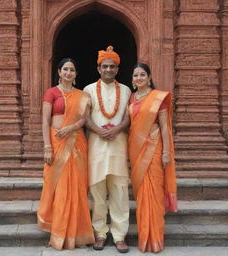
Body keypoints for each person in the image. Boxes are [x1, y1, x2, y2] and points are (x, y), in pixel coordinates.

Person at [37, 58, 95, 250]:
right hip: (56, 142)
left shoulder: (83, 95)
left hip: (77, 143)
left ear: (76, 74)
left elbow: (85, 119)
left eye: (72, 70)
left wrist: (71, 127)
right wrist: (47, 146)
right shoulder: (51, 93)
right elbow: (45, 121)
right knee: (59, 189)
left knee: (77, 189)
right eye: (65, 69)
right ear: (59, 72)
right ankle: (59, 233)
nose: (69, 73)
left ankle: (76, 235)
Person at [84, 46, 131, 253]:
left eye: (112, 66)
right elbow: (85, 117)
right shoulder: (88, 90)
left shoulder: (127, 90)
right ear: (98, 68)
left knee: (119, 192)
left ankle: (120, 236)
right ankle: (100, 233)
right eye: (105, 66)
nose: (109, 69)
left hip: (119, 147)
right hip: (96, 147)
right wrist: (99, 131)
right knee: (98, 192)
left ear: (117, 69)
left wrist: (118, 129)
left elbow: (128, 117)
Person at [128, 63, 177, 253]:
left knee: (154, 193)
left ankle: (155, 240)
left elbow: (165, 126)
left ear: (149, 77)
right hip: (136, 150)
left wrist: (166, 152)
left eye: (142, 74)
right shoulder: (132, 98)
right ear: (132, 80)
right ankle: (144, 239)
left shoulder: (159, 98)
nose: (138, 78)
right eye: (135, 75)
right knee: (141, 196)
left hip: (155, 148)